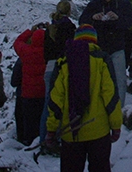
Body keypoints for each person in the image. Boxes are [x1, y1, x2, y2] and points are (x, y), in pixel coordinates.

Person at [45, 25, 122, 172]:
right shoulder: (102, 60)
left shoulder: (63, 61)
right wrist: (116, 124)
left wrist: (51, 128)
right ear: (94, 41)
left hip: (71, 132)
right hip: (99, 131)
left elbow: (55, 99)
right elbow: (110, 95)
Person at [79, 0, 132, 108]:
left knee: (120, 79)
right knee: (99, 79)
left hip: (117, 47)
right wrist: (93, 18)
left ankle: (119, 108)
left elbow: (130, 22)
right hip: (100, 48)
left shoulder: (123, 3)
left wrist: (117, 18)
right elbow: (82, 20)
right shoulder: (94, 5)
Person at [42, 0, 76, 144]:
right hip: (61, 66)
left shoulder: (50, 27)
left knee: (48, 104)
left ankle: (44, 136)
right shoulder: (69, 27)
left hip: (49, 66)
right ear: (69, 11)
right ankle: (55, 137)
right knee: (60, 103)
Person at [14, 24, 47, 145]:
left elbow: (18, 42)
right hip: (43, 92)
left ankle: (28, 143)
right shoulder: (48, 52)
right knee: (41, 120)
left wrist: (29, 31)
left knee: (29, 122)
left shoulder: (26, 52)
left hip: (27, 94)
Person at [11, 57, 25, 143]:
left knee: (20, 118)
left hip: (22, 93)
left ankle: (21, 140)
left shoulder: (21, 60)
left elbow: (14, 82)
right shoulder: (43, 56)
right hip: (40, 95)